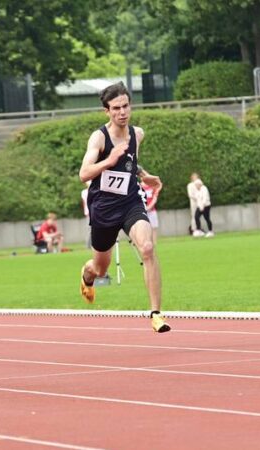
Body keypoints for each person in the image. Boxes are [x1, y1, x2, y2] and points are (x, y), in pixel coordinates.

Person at [78, 82, 170, 333]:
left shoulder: (137, 134)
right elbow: (84, 174)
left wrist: (145, 175)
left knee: (148, 247)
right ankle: (86, 276)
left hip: (130, 202)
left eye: (126, 106)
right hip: (104, 210)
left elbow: (129, 164)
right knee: (100, 268)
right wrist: (108, 159)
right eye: (116, 108)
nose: (122, 112)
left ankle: (156, 314)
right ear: (106, 111)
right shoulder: (99, 137)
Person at [140, 180, 161, 244]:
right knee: (142, 228)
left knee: (154, 227)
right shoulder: (139, 186)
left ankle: (154, 243)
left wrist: (149, 207)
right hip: (142, 211)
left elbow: (155, 198)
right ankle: (144, 242)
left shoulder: (152, 186)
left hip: (152, 211)